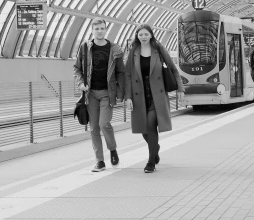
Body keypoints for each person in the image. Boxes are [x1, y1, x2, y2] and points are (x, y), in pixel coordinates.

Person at [124, 24, 184, 173]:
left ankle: (151, 161)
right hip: (139, 95)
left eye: (146, 34)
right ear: (137, 36)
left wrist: (180, 89)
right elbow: (128, 75)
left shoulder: (158, 49)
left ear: (151, 35)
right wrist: (128, 97)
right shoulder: (133, 51)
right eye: (140, 34)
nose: (143, 37)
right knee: (144, 129)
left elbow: (173, 69)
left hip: (156, 94)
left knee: (150, 125)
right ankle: (155, 147)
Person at [73, 18, 127, 172]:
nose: (100, 31)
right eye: (96, 29)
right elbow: (77, 68)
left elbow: (121, 73)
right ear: (92, 30)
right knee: (94, 128)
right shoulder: (85, 47)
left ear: (106, 29)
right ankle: (100, 161)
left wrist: (120, 93)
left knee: (104, 124)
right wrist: (80, 83)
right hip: (90, 94)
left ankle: (113, 149)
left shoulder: (115, 49)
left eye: (102, 28)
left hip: (106, 93)